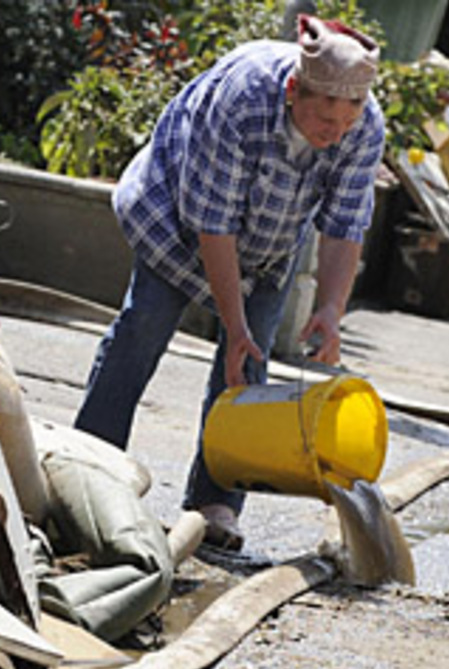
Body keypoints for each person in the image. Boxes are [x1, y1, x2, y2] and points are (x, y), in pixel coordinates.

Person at [72, 15, 385, 551]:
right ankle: (89, 472)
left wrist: (331, 308)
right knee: (144, 326)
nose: (335, 127)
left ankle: (215, 501)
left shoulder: (364, 127)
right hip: (176, 213)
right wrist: (233, 323)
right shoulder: (244, 98)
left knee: (246, 369)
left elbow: (345, 224)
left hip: (268, 242)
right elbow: (213, 224)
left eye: (348, 113)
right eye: (323, 113)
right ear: (293, 90)